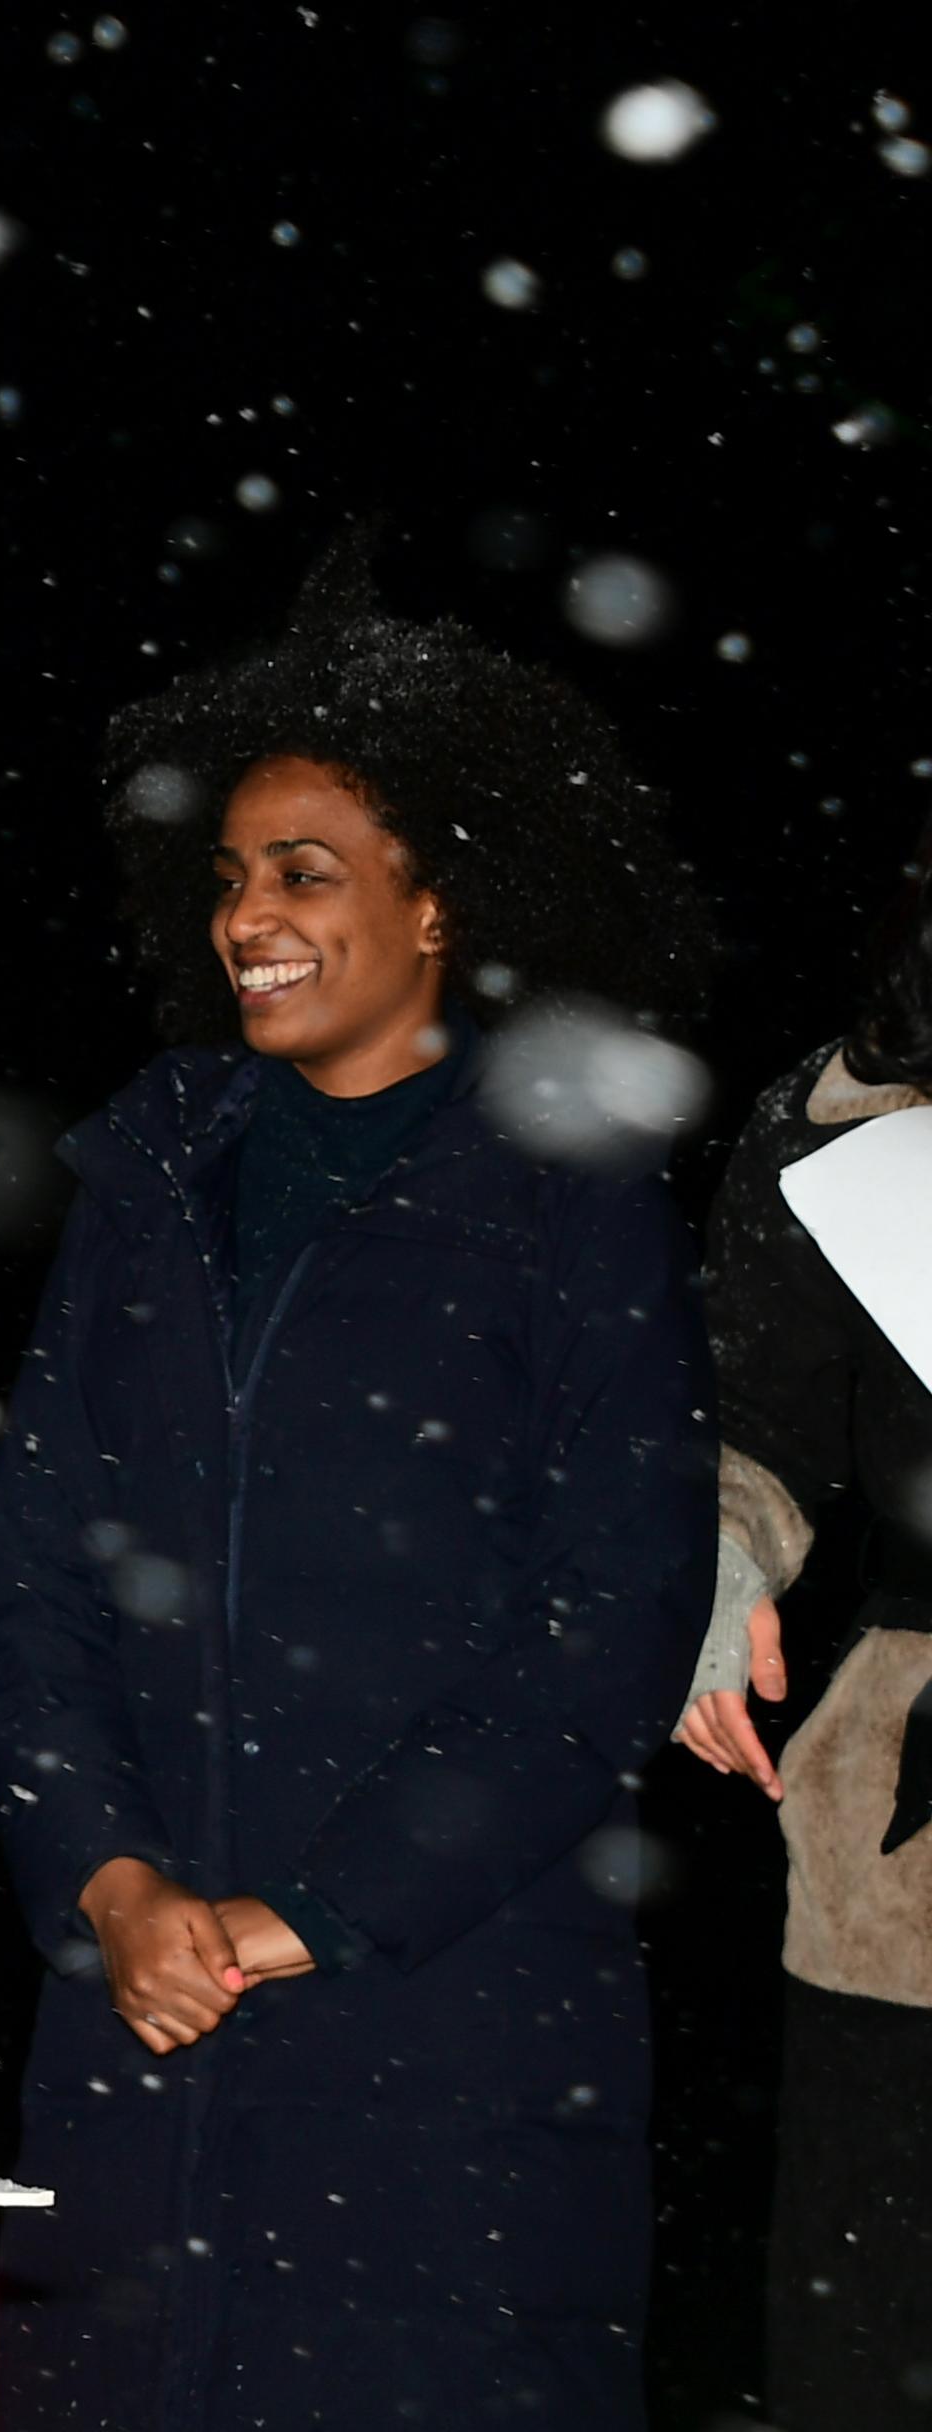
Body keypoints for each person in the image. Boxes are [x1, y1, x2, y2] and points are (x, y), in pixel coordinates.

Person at [0, 540, 716, 2427]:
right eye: (228, 878)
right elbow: (41, 1571)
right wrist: (114, 1880)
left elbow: (614, 1616)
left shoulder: (570, 1206)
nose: (251, 919)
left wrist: (324, 1910)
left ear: (441, 899)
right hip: (139, 2026)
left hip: (449, 2032)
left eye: (305, 872)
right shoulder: (145, 1184)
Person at [673, 813, 932, 2428]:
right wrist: (708, 1577)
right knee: (875, 2336)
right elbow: (747, 1421)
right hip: (907, 1858)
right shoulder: (853, 1131)